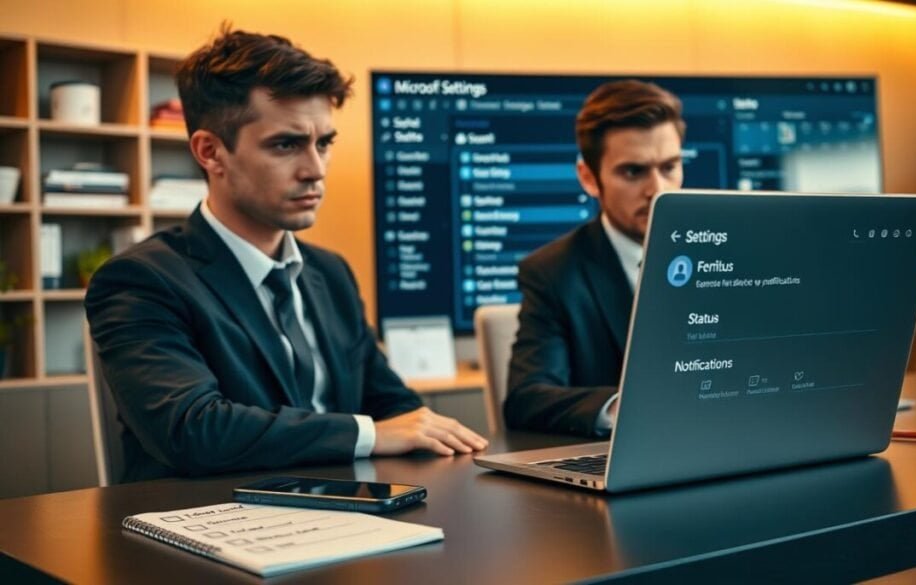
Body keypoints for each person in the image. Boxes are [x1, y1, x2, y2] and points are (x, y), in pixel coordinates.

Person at [85, 26, 486, 482]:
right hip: (213, 527)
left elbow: (393, 406)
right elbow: (193, 430)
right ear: (210, 152)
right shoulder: (142, 280)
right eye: (286, 144)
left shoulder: (330, 273)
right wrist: (368, 435)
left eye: (324, 143)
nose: (315, 170)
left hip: (345, 517)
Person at [504, 80, 685, 436]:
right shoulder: (553, 273)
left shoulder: (728, 251)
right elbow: (527, 398)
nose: (658, 189)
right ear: (589, 177)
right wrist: (626, 409)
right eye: (633, 172)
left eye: (669, 167)